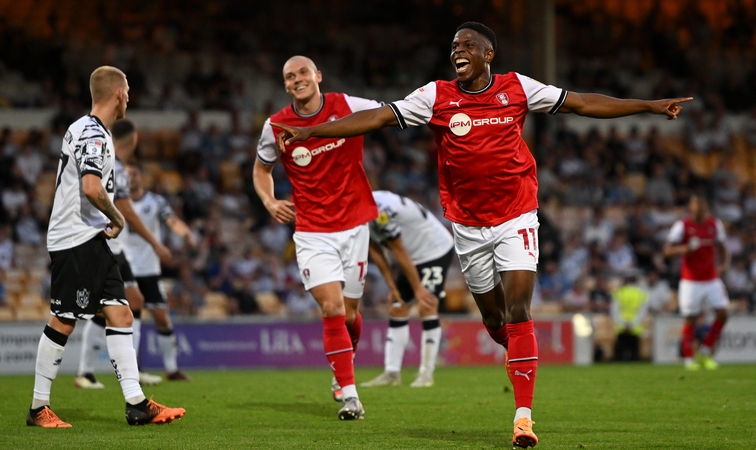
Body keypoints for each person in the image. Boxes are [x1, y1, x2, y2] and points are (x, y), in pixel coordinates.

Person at [270, 22, 691, 447]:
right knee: (494, 323)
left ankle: (523, 418)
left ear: (488, 54)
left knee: (518, 310)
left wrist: (650, 106)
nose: (459, 50)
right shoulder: (435, 96)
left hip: (517, 216)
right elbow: (378, 117)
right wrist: (313, 130)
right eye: (454, 45)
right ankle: (521, 357)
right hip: (468, 226)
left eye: (469, 44)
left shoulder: (518, 88)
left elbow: (581, 103)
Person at [28, 66, 185, 428]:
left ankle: (137, 404)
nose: (129, 96)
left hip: (90, 239)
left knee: (121, 313)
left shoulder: (90, 131)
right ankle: (38, 408)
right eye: (127, 90)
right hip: (76, 238)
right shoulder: (93, 134)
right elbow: (92, 188)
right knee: (64, 320)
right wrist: (117, 218)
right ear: (117, 93)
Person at [253, 55, 382, 420]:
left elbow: (388, 114)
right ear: (286, 85)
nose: (297, 80)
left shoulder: (349, 106)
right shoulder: (276, 125)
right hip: (312, 231)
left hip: (356, 225)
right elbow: (261, 168)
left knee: (351, 313)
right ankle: (350, 394)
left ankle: (346, 361)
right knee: (332, 308)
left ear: (318, 76)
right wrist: (269, 199)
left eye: (303, 73)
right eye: (290, 77)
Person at [75, 119, 169, 389]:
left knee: (133, 301)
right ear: (134, 140)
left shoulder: (98, 160)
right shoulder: (117, 168)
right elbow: (127, 210)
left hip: (109, 246)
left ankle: (119, 370)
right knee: (100, 309)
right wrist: (155, 243)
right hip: (107, 246)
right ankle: (87, 372)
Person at [360, 190, 454, 388]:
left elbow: (398, 249)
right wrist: (392, 286)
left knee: (426, 305)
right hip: (413, 255)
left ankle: (426, 375)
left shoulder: (380, 211)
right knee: (397, 306)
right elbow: (374, 249)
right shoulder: (360, 208)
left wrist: (418, 289)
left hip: (434, 250)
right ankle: (392, 373)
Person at [124, 160, 197, 380]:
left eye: (135, 174)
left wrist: (185, 232)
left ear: (142, 177)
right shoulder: (118, 202)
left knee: (161, 317)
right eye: (127, 175)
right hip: (125, 267)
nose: (130, 178)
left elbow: (171, 220)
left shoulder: (155, 201)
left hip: (149, 268)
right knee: (131, 317)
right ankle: (132, 369)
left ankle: (171, 368)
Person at [664, 193, 730, 370]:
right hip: (690, 280)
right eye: (695, 204)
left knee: (723, 313)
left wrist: (723, 265)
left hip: (711, 278)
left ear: (706, 207)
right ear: (690, 207)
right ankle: (689, 359)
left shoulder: (715, 225)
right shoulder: (682, 226)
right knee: (690, 318)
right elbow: (667, 250)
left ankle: (706, 351)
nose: (699, 208)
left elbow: (723, 248)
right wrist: (684, 248)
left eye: (702, 204)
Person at [610, 271, 649, 361]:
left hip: (621, 327)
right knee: (634, 354)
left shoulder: (619, 292)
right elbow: (642, 311)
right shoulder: (641, 294)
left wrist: (623, 324)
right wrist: (633, 323)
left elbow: (614, 310)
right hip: (635, 327)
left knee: (620, 354)